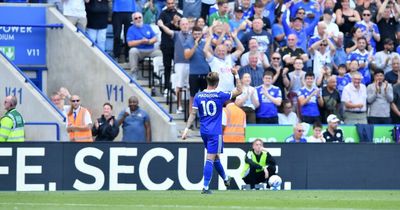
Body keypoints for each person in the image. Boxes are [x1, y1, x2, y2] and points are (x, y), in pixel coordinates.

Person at [182, 71, 243, 194]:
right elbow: (239, 90)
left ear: (207, 81)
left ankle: (226, 178)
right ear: (217, 83)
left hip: (204, 132)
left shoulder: (199, 96)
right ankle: (205, 187)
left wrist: (186, 129)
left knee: (215, 157)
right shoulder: (220, 95)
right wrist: (236, 75)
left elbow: (193, 114)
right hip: (215, 132)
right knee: (210, 158)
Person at [158, 18, 191, 113]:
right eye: (183, 24)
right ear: (180, 25)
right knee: (179, 85)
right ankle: (179, 106)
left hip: (190, 63)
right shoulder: (176, 34)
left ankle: (190, 107)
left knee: (190, 86)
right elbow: (168, 31)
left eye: (186, 24)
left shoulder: (192, 35)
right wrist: (161, 25)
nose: (185, 25)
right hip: (179, 63)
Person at [203, 25, 244, 92]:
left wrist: (235, 37)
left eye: (223, 51)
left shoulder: (230, 58)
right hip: (218, 91)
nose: (221, 52)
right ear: (215, 51)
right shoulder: (213, 60)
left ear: (226, 51)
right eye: (219, 51)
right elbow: (205, 50)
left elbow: (241, 49)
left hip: (230, 91)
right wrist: (210, 37)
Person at [127, 12, 162, 79]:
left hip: (151, 50)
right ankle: (134, 72)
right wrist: (141, 41)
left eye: (140, 17)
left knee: (161, 53)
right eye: (136, 18)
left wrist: (148, 41)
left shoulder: (148, 27)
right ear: (133, 20)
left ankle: (159, 74)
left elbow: (155, 38)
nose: (138, 19)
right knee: (132, 51)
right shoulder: (131, 29)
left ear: (142, 18)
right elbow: (130, 43)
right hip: (139, 51)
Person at [184, 26, 210, 116]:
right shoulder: (188, 43)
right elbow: (187, 56)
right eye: (195, 34)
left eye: (199, 34)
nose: (197, 36)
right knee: (193, 97)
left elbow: (210, 55)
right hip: (194, 73)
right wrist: (195, 46)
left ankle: (205, 117)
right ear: (192, 34)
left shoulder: (205, 43)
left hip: (205, 73)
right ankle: (191, 118)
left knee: (206, 97)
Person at [158, 0, 182, 93]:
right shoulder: (162, 14)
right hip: (166, 45)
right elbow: (161, 27)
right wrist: (172, 23)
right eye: (169, 3)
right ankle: (167, 87)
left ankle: (176, 87)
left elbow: (182, 27)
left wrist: (177, 24)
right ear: (166, 4)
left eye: (172, 3)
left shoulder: (179, 14)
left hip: (177, 45)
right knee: (167, 67)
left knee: (177, 67)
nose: (171, 5)